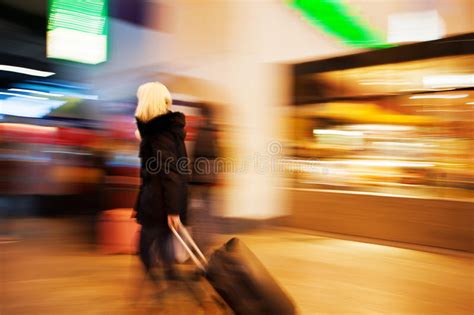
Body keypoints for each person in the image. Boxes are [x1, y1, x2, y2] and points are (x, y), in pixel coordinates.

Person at [133, 82, 188, 280]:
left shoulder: (159, 133)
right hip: (161, 201)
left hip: (159, 203)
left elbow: (169, 172)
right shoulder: (163, 130)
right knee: (164, 252)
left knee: (146, 250)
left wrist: (173, 210)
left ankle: (164, 289)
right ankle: (167, 288)